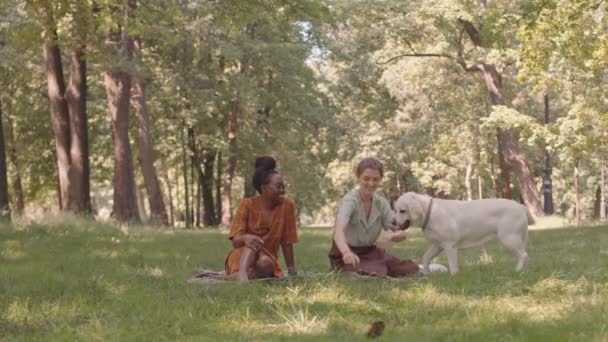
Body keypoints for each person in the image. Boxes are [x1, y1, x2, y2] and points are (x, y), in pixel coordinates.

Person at [329, 157, 420, 277]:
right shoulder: (349, 201)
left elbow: (401, 233)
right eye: (366, 179)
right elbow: (338, 231)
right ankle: (376, 269)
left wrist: (390, 236)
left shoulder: (381, 203)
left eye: (376, 179)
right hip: (345, 254)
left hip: (370, 252)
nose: (371, 184)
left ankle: (382, 267)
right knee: (374, 271)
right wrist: (346, 252)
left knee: (410, 268)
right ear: (358, 178)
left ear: (381, 179)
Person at [224, 156, 298, 283]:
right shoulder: (246, 204)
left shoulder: (287, 205)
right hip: (242, 256)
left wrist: (291, 270)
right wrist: (245, 238)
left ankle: (233, 278)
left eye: (283, 187)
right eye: (278, 187)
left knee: (266, 264)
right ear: (264, 188)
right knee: (253, 241)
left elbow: (287, 241)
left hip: (266, 258)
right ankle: (242, 274)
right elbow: (236, 242)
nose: (282, 191)